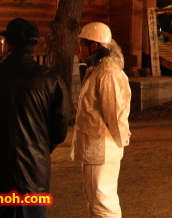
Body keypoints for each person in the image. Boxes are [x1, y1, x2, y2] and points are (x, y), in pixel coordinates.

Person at [0, 18, 71, 218]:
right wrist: (41, 148)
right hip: (34, 174)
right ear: (32, 46)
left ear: (8, 45)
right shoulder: (50, 80)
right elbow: (59, 127)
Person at [72, 22, 131, 217]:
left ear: (94, 46)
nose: (78, 49)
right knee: (97, 199)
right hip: (98, 145)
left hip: (101, 146)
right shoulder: (98, 69)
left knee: (102, 200)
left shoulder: (107, 73)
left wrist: (119, 141)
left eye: (81, 44)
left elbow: (113, 113)